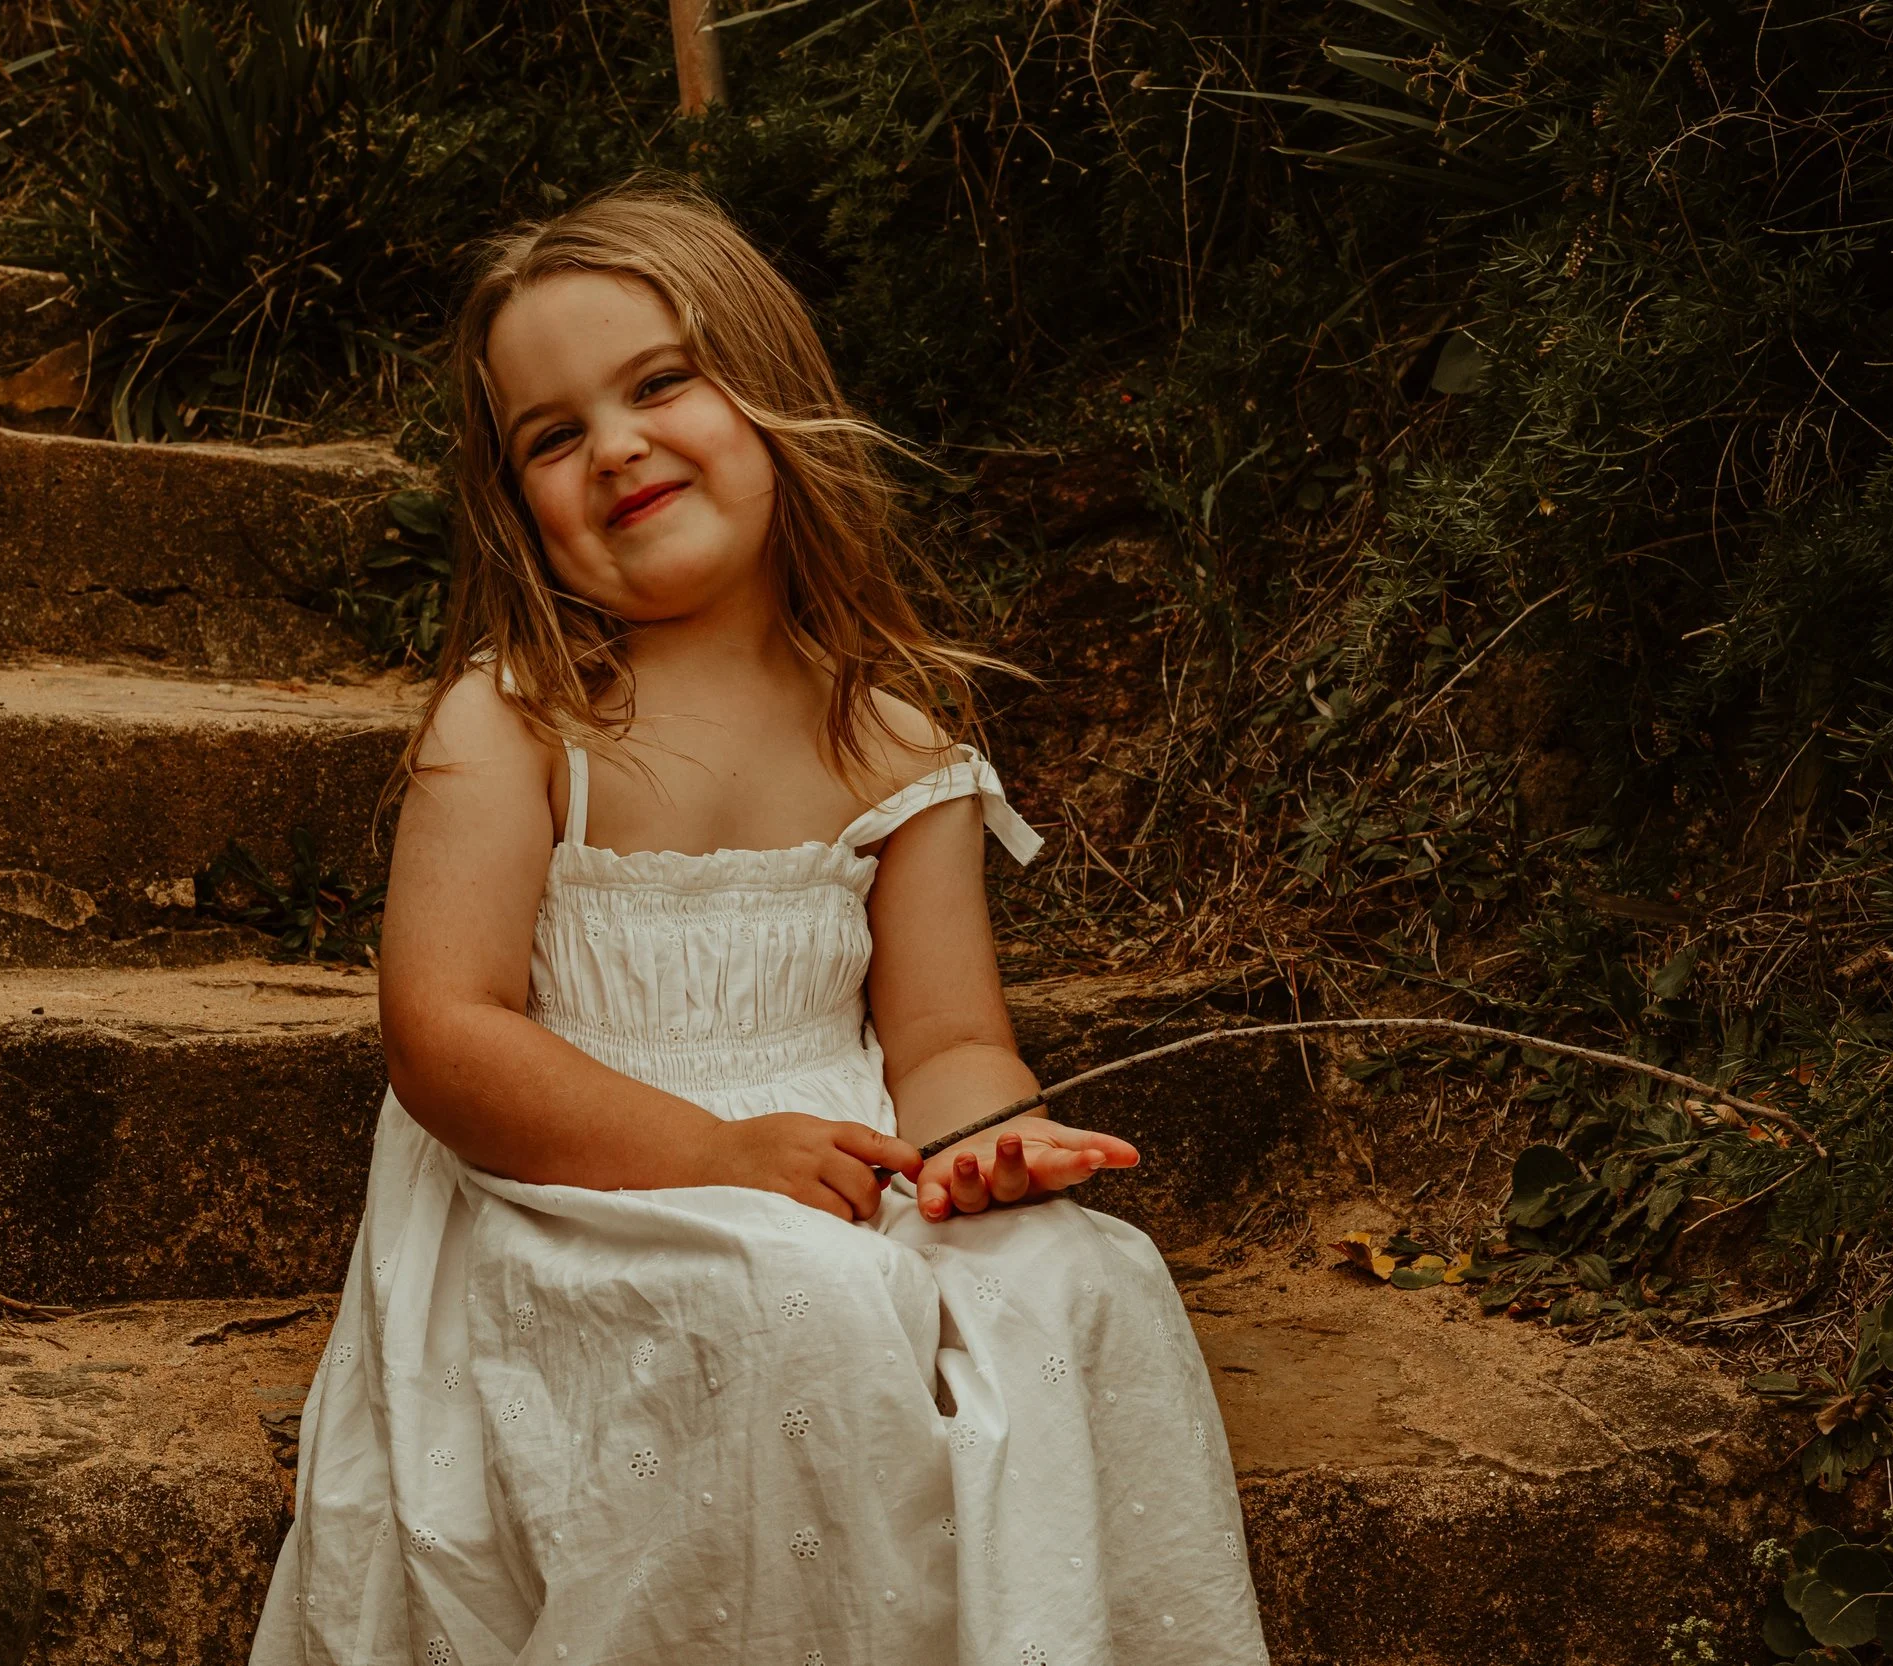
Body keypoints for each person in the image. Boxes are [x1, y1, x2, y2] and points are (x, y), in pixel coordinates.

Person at [251, 179, 1267, 1666]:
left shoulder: (899, 744)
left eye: (660, 382)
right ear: (515, 506)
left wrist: (983, 1145)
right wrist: (722, 1155)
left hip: (839, 1159)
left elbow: (947, 1037)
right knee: (805, 1296)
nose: (616, 445)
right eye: (552, 435)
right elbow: (444, 1036)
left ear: (771, 394)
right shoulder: (518, 719)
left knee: (1080, 1279)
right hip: (578, 1177)